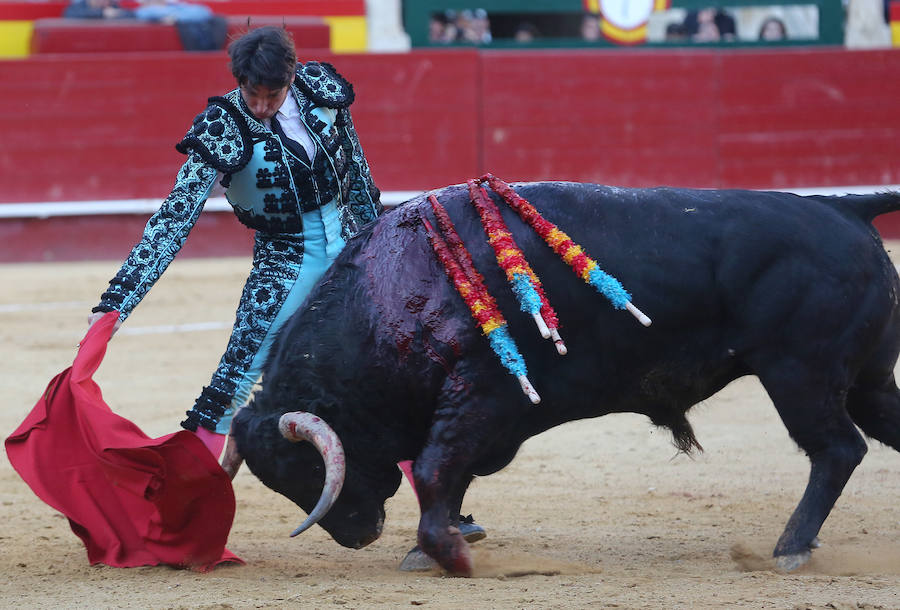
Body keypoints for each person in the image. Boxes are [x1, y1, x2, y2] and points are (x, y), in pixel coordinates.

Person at [87, 25, 484, 557]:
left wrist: (386, 255)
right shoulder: (223, 126)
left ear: (292, 76)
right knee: (230, 385)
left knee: (400, 376)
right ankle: (180, 525)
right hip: (283, 263)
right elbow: (173, 221)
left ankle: (443, 516)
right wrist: (118, 301)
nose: (260, 104)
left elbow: (360, 181)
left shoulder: (322, 90)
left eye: (271, 94)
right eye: (251, 92)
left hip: (351, 255)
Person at [63, 0, 133, 19]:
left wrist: (117, 14)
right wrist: (102, 13)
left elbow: (131, 15)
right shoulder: (79, 6)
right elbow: (68, 14)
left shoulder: (112, 6)